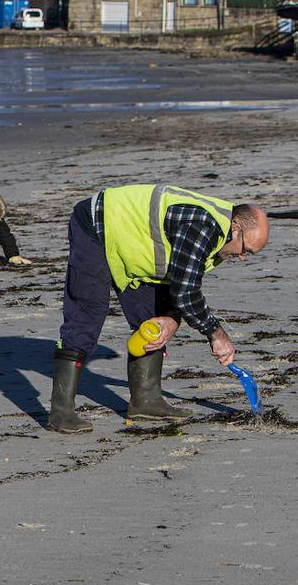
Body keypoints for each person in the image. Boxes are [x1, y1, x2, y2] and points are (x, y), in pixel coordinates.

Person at [48, 185, 269, 433]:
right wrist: (217, 336)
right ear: (236, 227)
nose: (242, 257)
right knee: (87, 316)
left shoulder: (220, 235)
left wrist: (171, 318)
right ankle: (61, 411)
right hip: (96, 225)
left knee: (153, 319)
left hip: (133, 244)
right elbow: (186, 294)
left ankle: (146, 401)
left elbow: (181, 284)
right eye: (245, 250)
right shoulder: (203, 227)